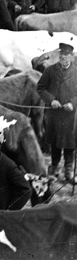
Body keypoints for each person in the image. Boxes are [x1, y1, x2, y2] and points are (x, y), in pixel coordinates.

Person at [36, 39, 77, 179]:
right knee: (55, 141)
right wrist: (51, 100)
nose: (63, 58)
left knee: (70, 142)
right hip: (54, 114)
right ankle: (54, 166)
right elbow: (40, 88)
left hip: (71, 115)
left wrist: (73, 103)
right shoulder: (50, 70)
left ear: (72, 56)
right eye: (61, 55)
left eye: (66, 55)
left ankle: (69, 169)